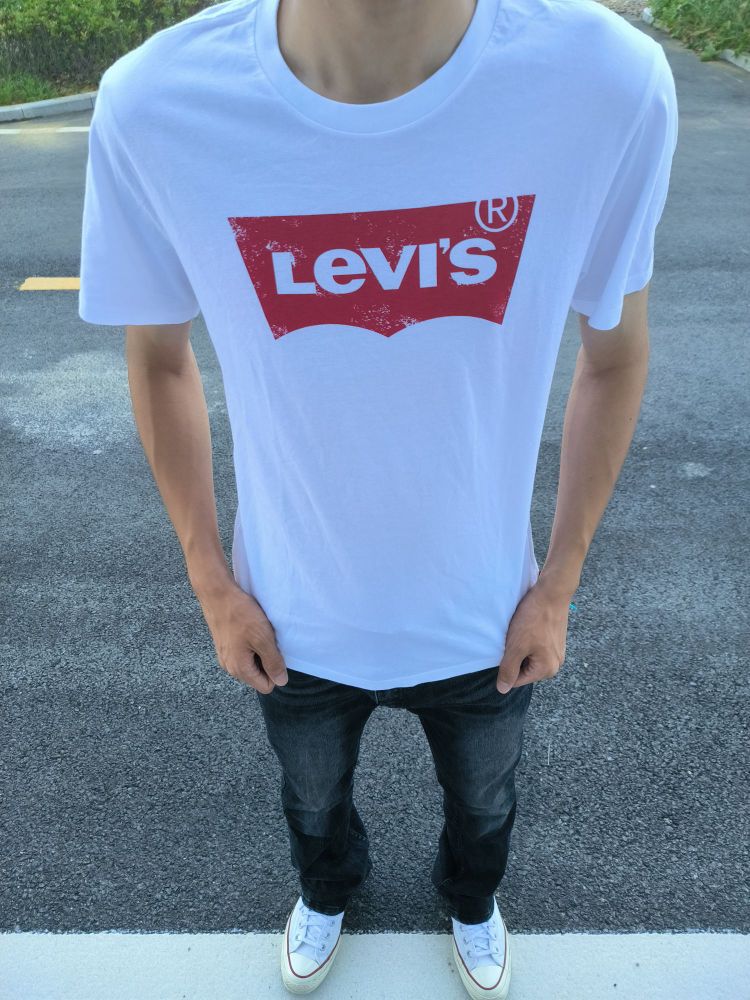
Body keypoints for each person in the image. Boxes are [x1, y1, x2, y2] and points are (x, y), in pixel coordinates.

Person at [78, 0, 679, 995]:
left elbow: (614, 358)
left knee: (485, 804)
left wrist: (558, 586)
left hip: (487, 612)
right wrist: (212, 584)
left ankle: (471, 901)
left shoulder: (604, 85)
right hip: (291, 614)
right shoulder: (157, 105)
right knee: (312, 803)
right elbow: (158, 358)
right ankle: (329, 889)